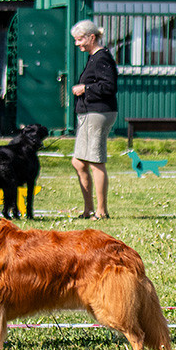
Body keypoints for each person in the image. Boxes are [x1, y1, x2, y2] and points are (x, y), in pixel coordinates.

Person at [70, 20, 118, 220]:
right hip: (89, 113)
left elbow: (109, 86)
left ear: (92, 37)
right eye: (75, 40)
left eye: (80, 39)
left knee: (95, 161)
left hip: (97, 114)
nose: (77, 44)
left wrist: (85, 88)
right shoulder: (93, 57)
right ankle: (89, 209)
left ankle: (102, 211)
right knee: (78, 162)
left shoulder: (101, 57)